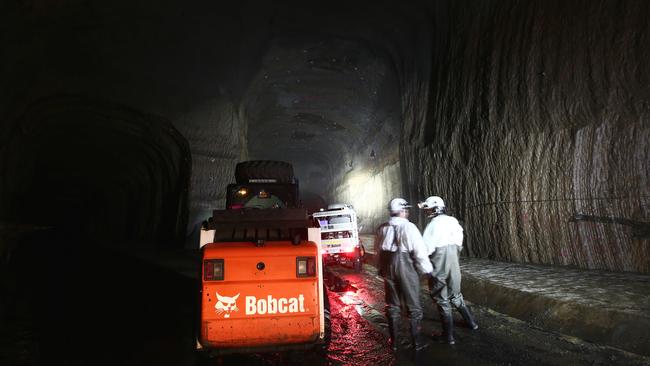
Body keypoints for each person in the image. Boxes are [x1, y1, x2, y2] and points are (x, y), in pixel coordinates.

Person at [375, 198, 433, 351]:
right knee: (413, 306)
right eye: (405, 210)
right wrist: (427, 270)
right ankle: (416, 342)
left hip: (388, 266)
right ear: (401, 211)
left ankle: (393, 342)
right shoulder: (410, 228)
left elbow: (378, 251)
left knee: (393, 305)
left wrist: (380, 267)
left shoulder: (382, 228)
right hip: (406, 266)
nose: (407, 212)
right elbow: (420, 251)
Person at [419, 196, 478, 345]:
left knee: (441, 298)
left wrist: (423, 267)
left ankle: (448, 336)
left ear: (435, 209)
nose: (427, 212)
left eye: (428, 209)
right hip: (454, 262)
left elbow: (426, 249)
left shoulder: (433, 225)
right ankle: (472, 323)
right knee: (456, 294)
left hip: (439, 263)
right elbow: (460, 242)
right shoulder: (453, 221)